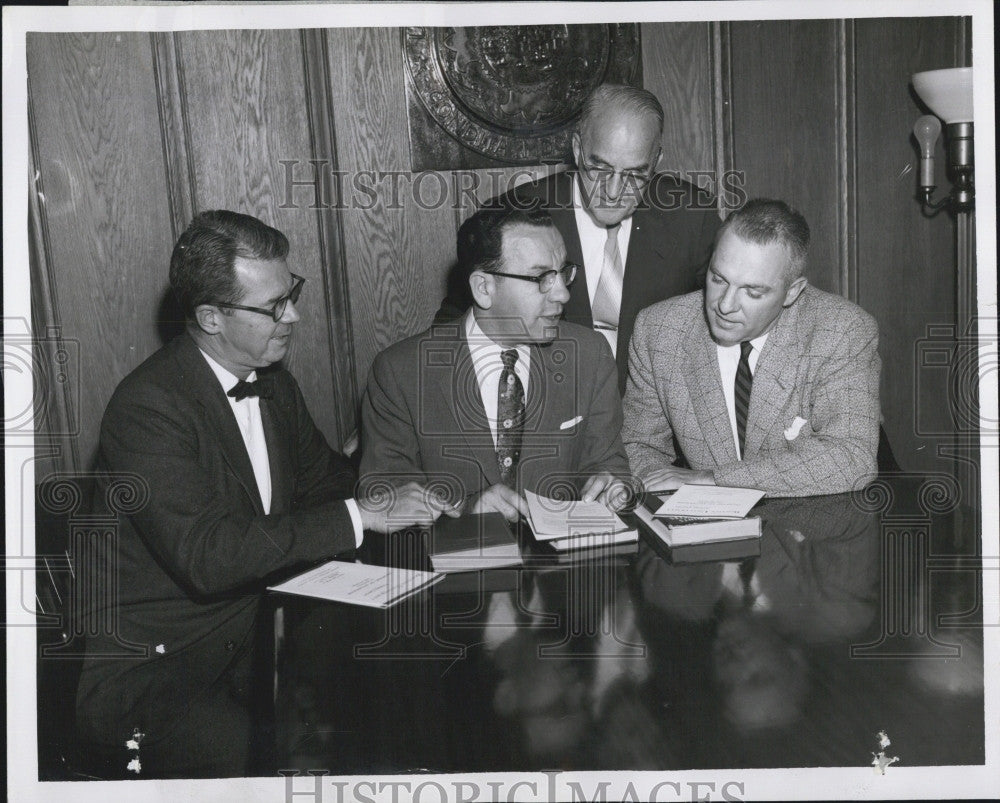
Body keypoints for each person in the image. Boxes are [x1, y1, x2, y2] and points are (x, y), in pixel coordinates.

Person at [75, 210, 451, 778]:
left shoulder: (271, 380)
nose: (293, 315)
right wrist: (362, 514)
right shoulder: (146, 409)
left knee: (407, 704)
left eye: (291, 293)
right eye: (273, 305)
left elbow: (328, 483)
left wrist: (408, 491)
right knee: (281, 765)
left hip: (262, 637)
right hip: (164, 675)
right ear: (210, 318)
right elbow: (211, 555)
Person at [437, 82, 722, 393]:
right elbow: (459, 322)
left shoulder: (692, 217)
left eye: (636, 174)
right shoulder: (516, 215)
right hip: (549, 406)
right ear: (577, 149)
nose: (613, 192)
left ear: (656, 162)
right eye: (599, 168)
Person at [361, 205, 631, 521]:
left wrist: (610, 485)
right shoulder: (400, 372)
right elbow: (385, 492)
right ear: (484, 288)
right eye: (542, 277)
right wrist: (466, 508)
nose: (562, 294)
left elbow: (608, 463)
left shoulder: (589, 355)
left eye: (563, 273)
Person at [622, 198, 880, 497]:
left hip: (803, 535)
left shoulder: (841, 331)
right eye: (718, 279)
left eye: (753, 291)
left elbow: (851, 458)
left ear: (792, 292)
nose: (725, 305)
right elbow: (639, 447)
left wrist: (712, 479)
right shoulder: (659, 330)